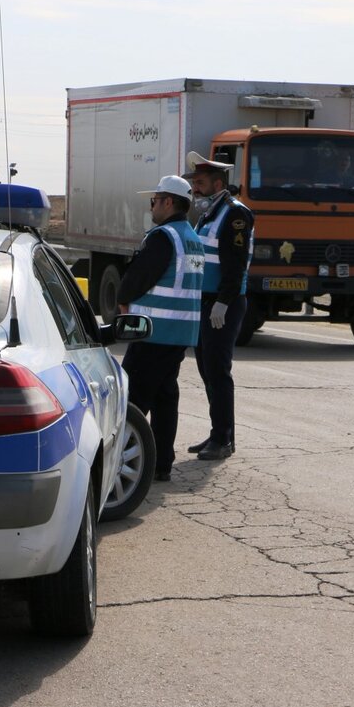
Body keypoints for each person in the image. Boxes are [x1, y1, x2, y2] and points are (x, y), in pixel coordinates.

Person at [117, 175, 204, 481]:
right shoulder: (191, 237)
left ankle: (127, 466)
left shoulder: (162, 236)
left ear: (168, 202)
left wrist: (123, 299)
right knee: (166, 398)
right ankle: (161, 464)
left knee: (133, 402)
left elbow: (139, 277)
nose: (151, 206)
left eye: (153, 201)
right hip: (179, 333)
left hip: (153, 332)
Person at [186, 151, 254, 461]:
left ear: (217, 183)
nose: (195, 189)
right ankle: (218, 433)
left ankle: (224, 438)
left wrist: (223, 302)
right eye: (193, 183)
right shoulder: (208, 213)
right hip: (206, 302)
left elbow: (235, 264)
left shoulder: (235, 214)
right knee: (206, 370)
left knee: (218, 371)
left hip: (222, 304)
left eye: (199, 183)